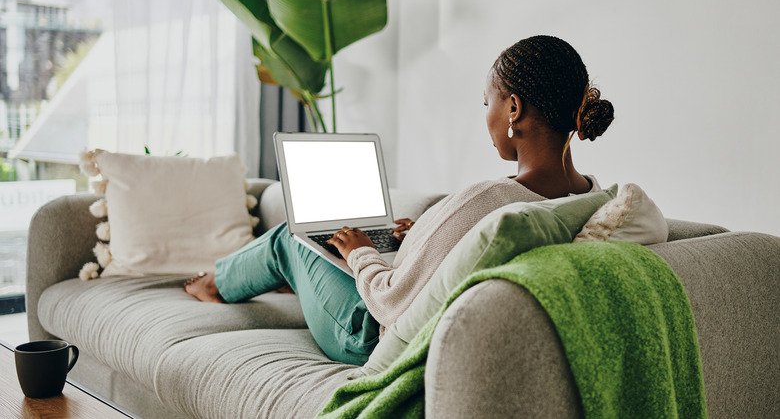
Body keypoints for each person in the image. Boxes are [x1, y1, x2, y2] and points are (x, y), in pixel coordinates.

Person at [185, 35, 615, 365]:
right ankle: (285, 279)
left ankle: (213, 284)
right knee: (325, 247)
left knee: (288, 239)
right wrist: (421, 238)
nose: (487, 115)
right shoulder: (593, 198)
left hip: (367, 335)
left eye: (489, 103)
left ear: (514, 108)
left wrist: (360, 253)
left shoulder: (490, 200)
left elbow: (390, 302)